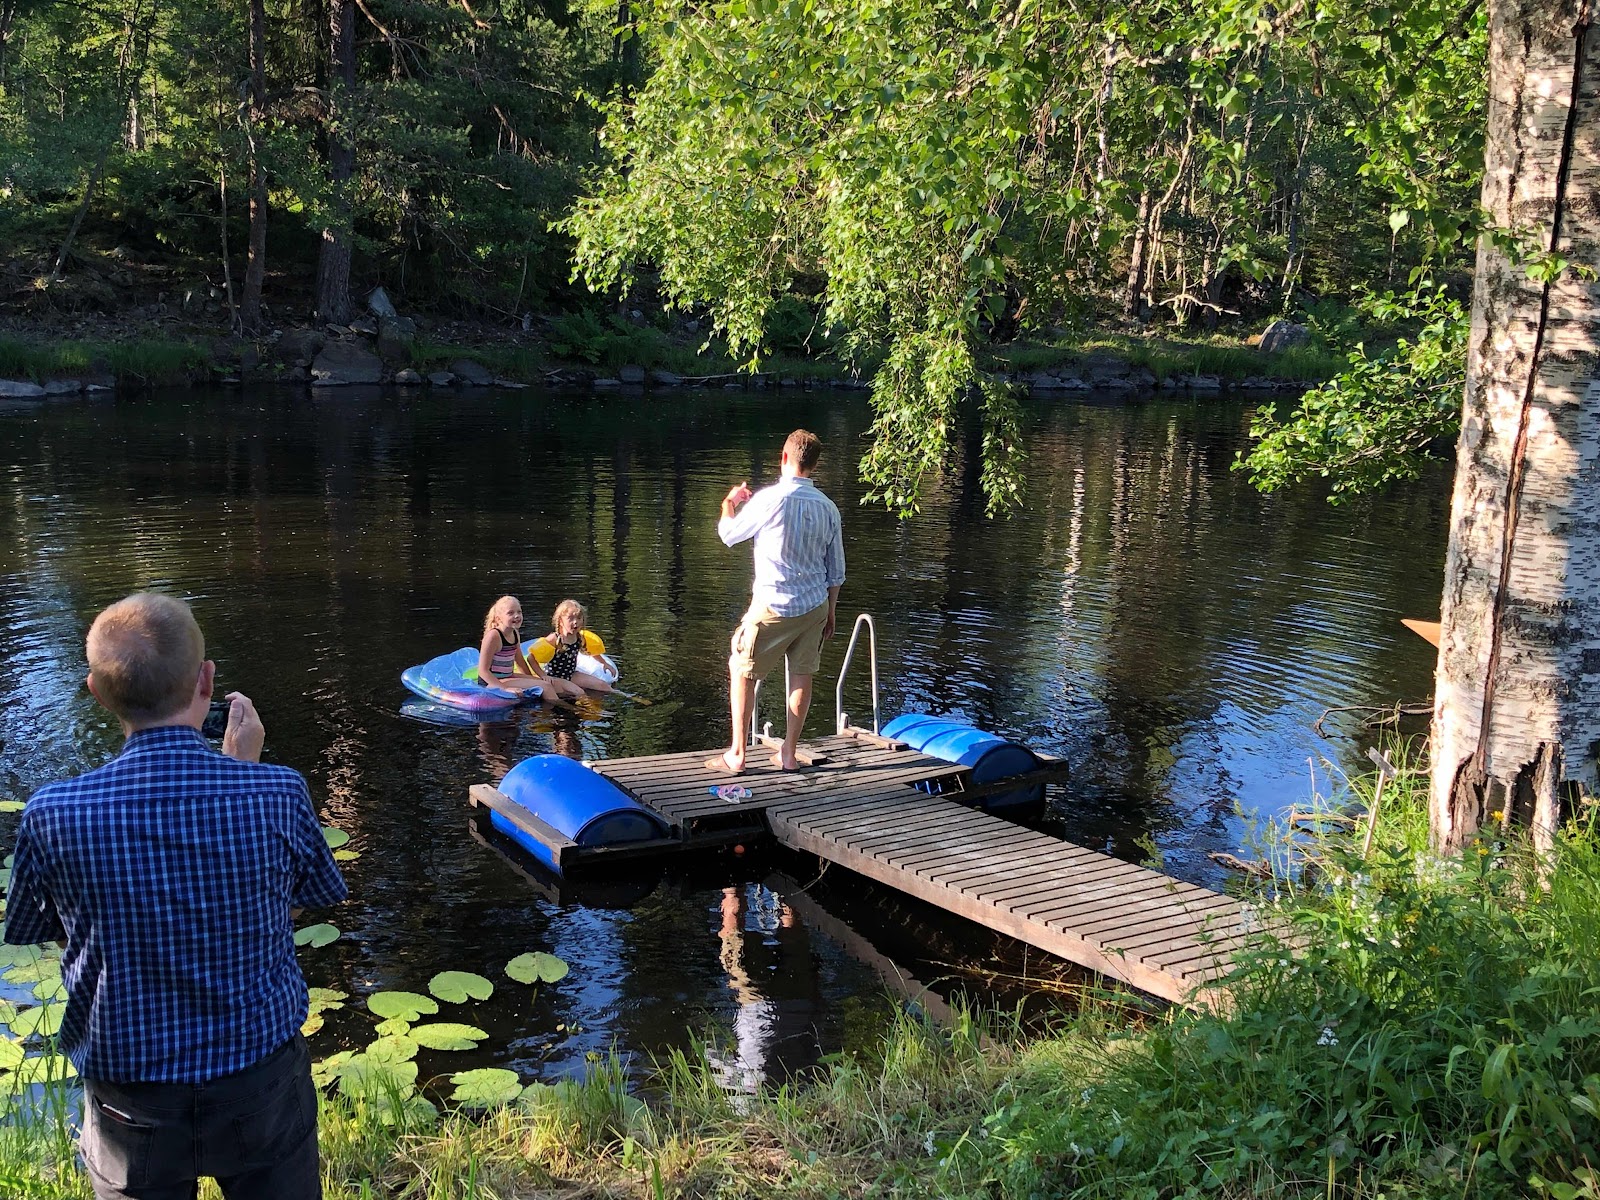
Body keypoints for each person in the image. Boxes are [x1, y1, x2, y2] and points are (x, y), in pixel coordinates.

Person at [3, 592, 346, 1200]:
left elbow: (51, 929)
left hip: (130, 1100)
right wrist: (245, 769)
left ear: (97, 692)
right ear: (206, 680)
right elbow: (301, 901)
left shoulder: (53, 813)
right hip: (259, 1081)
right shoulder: (277, 792)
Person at [707, 428, 845, 774]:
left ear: (784, 457)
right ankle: (788, 754)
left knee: (742, 670)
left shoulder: (769, 499)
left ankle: (737, 755)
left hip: (773, 605)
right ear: (814, 464)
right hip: (814, 606)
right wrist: (830, 611)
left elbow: (728, 534)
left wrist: (729, 503)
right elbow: (836, 570)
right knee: (802, 675)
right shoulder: (829, 508)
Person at [538, 599, 614, 697]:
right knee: (580, 693)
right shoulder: (554, 639)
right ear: (560, 621)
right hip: (555, 677)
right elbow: (531, 658)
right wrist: (543, 676)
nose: (575, 622)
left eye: (578, 618)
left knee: (602, 685)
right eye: (570, 618)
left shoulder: (579, 637)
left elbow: (590, 651)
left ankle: (629, 696)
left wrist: (604, 663)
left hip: (571, 674)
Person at [477, 595, 548, 695]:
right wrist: (504, 689)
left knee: (545, 683)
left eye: (519, 612)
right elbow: (483, 671)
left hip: (508, 677)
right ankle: (560, 704)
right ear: (499, 619)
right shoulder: (493, 636)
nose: (517, 616)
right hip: (491, 682)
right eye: (510, 613)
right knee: (545, 686)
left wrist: (530, 680)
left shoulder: (515, 633)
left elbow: (520, 661)